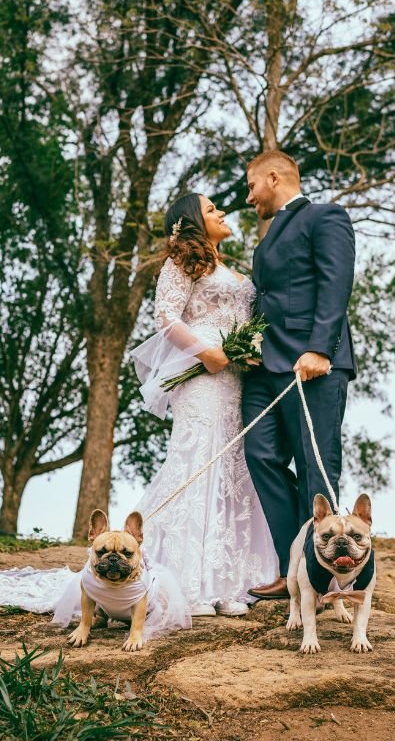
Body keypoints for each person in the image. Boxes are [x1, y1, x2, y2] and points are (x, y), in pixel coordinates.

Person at [131, 193, 278, 617]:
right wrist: (205, 352)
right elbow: (167, 317)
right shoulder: (180, 263)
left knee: (234, 469)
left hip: (236, 379)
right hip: (202, 378)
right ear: (193, 220)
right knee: (198, 462)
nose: (223, 213)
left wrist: (246, 350)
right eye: (213, 209)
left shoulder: (231, 266)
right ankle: (186, 582)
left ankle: (227, 582)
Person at [242, 151, 357, 600]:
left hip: (314, 366)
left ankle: (321, 575)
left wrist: (319, 348)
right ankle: (291, 563)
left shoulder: (326, 217)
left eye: (252, 186)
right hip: (265, 369)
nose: (249, 197)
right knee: (260, 454)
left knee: (315, 465)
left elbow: (336, 281)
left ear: (274, 177)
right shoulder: (268, 236)